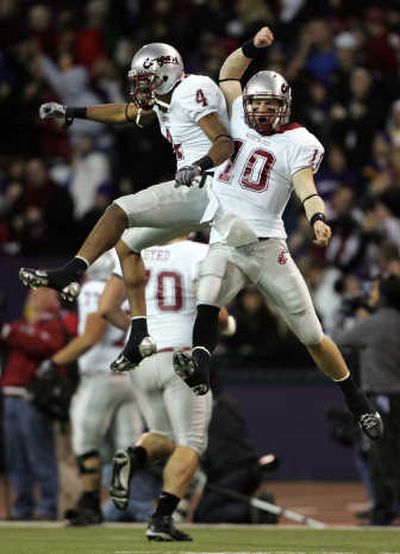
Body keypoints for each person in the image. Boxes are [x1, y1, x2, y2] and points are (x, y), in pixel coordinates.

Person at [172, 27, 383, 441]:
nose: (264, 111)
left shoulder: (300, 142)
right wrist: (254, 46)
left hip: (268, 246)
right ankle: (200, 364)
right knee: (207, 295)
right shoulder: (234, 112)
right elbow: (229, 73)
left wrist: (317, 216)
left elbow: (305, 184)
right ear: (247, 104)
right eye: (258, 103)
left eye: (271, 104)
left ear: (285, 106)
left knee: (312, 335)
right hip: (227, 240)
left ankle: (356, 400)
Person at [19, 40, 236, 374]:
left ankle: (69, 273)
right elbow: (126, 112)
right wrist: (72, 113)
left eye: (146, 79)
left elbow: (224, 141)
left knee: (119, 210)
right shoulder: (167, 97)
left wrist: (201, 164)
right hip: (198, 187)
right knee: (127, 243)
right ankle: (139, 332)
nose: (140, 87)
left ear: (166, 74)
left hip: (210, 186)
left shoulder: (192, 90)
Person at [99, 236, 234, 541]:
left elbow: (106, 308)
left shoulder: (136, 250)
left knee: (165, 436)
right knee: (192, 441)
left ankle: (134, 456)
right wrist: (229, 325)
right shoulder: (200, 252)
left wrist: (142, 334)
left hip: (142, 358)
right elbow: (218, 315)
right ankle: (161, 519)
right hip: (182, 356)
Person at [38, 253, 145, 525]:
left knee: (85, 444)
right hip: (130, 377)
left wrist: (54, 361)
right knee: (128, 449)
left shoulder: (94, 290)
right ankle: (137, 504)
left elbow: (91, 336)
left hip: (100, 376)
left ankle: (90, 504)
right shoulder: (130, 290)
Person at [332, 275, 400, 525]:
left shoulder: (374, 324)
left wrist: (343, 309)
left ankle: (383, 511)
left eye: (375, 290)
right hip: (395, 395)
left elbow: (335, 338)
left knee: (381, 457)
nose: (371, 293)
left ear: (383, 296)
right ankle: (383, 509)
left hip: (381, 398)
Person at [0, 288, 68, 520]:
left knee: (41, 455)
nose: (32, 297)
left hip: (34, 398)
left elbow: (45, 345)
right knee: (16, 458)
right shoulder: (23, 323)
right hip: (10, 396)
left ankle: (48, 507)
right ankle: (22, 508)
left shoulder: (55, 325)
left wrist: (13, 333)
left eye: (39, 293)